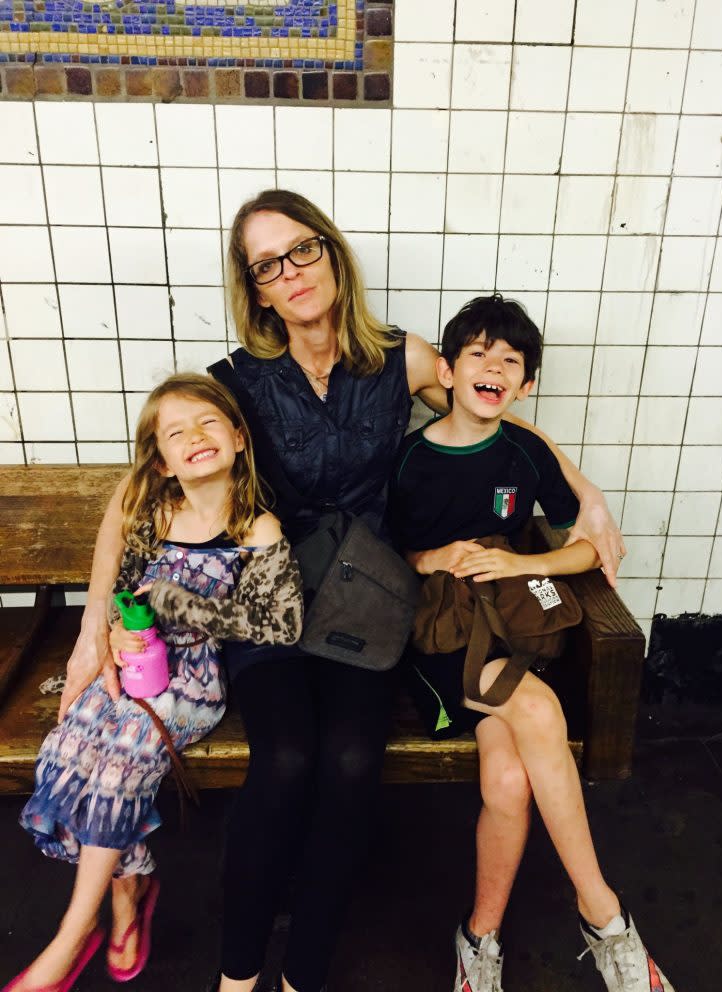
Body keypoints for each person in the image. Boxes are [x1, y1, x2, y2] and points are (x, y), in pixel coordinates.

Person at [55, 190, 625, 992]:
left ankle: (303, 976)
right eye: (267, 264)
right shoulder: (236, 381)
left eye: (303, 249)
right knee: (286, 759)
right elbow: (131, 500)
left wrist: (586, 495)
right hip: (270, 597)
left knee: (353, 760)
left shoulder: (397, 357)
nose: (290, 272)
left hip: (370, 597)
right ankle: (239, 975)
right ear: (254, 288)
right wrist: (90, 636)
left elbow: (490, 410)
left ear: (330, 253)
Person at [390, 294, 675, 992]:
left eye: (510, 362)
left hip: (507, 628)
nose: (493, 368)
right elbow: (383, 557)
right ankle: (604, 914)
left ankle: (478, 938)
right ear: (447, 372)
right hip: (439, 641)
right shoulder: (409, 460)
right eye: (478, 355)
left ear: (526, 384)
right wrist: (431, 559)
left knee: (509, 778)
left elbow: (587, 548)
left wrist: (523, 563)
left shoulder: (524, 450)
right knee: (542, 714)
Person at [2, 374, 302, 992]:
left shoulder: (256, 529)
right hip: (139, 661)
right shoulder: (152, 511)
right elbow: (122, 593)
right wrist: (114, 628)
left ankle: (71, 934)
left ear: (240, 439)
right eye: (176, 431)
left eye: (209, 422)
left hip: (191, 681)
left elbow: (283, 623)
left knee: (121, 766)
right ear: (163, 462)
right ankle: (127, 891)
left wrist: (182, 603)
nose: (195, 436)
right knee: (70, 747)